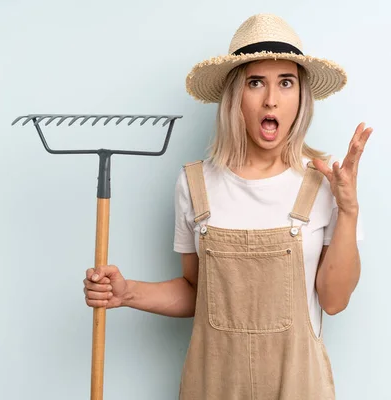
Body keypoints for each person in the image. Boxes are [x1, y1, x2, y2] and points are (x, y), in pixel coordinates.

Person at [83, 13, 372, 399]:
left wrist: (349, 211)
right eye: (256, 83)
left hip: (299, 387)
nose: (271, 99)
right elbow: (196, 292)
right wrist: (126, 293)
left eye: (286, 83)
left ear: (301, 95)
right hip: (213, 387)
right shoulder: (195, 184)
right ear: (236, 95)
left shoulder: (324, 185)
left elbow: (334, 302)